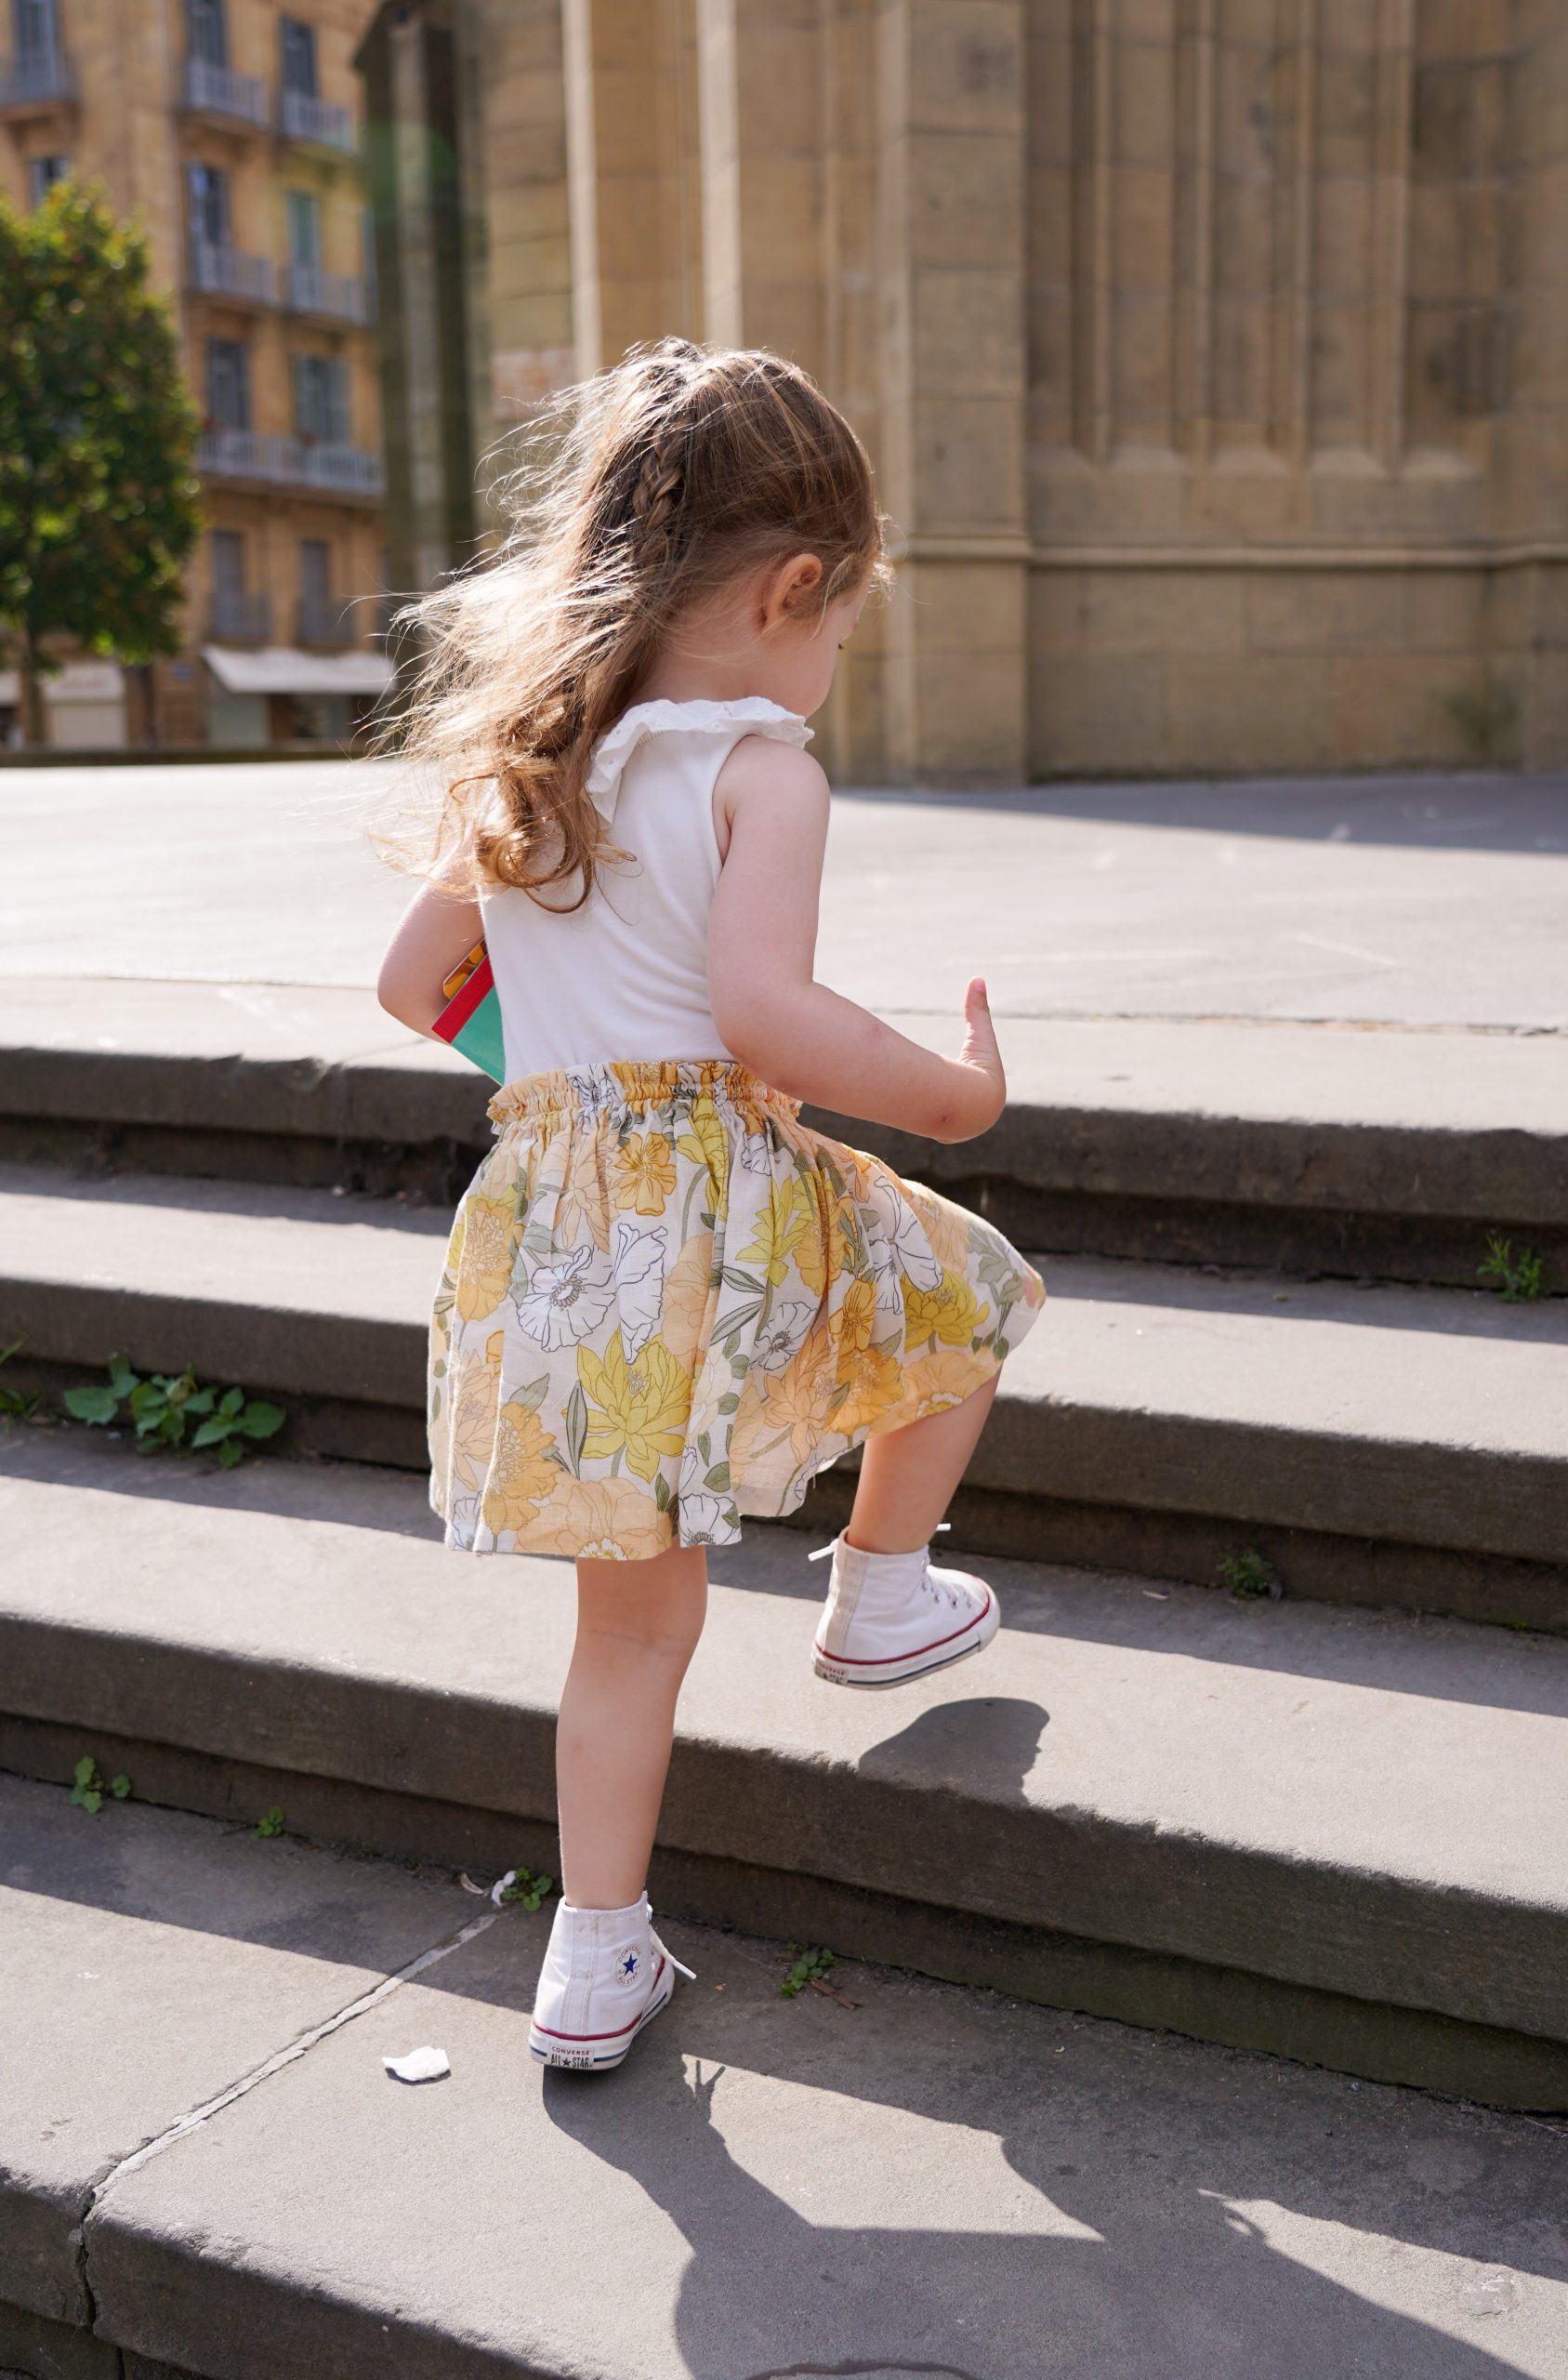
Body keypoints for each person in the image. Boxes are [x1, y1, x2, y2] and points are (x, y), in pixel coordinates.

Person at [376, 339, 1046, 2072]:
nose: (831, 670)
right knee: (964, 1298)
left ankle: (594, 1961)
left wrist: (572, 1081)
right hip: (714, 1194)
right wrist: (951, 1093)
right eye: (841, 632)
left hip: (559, 1219)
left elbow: (410, 981)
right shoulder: (761, 770)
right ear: (794, 586)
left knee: (632, 1623)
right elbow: (764, 1016)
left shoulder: (533, 769)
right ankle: (881, 1588)